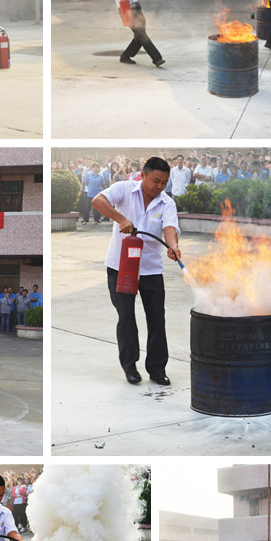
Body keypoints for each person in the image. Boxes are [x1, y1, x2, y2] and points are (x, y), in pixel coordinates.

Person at [91, 157, 181, 386]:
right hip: (120, 267)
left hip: (151, 269)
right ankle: (130, 367)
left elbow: (170, 228)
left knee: (157, 319)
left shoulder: (167, 203)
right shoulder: (124, 189)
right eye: (155, 181)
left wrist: (174, 246)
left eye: (164, 183)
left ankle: (157, 369)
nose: (159, 187)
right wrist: (120, 218)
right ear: (143, 175)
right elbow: (98, 200)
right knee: (127, 317)